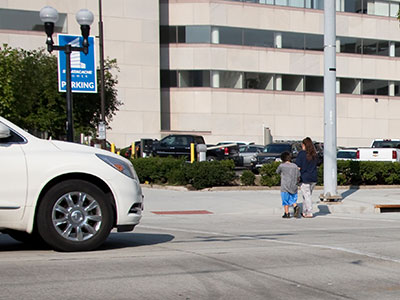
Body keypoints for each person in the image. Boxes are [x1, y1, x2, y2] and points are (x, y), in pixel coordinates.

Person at [296, 137, 318, 218]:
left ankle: (309, 211)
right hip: (313, 177)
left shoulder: (301, 154)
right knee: (306, 195)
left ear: (304, 145)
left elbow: (298, 167)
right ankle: (304, 211)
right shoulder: (314, 154)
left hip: (304, 177)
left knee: (307, 195)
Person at [276, 151, 300, 219]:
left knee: (285, 200)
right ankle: (295, 206)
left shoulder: (282, 166)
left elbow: (277, 171)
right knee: (293, 199)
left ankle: (287, 213)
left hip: (285, 185)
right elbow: (298, 175)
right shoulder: (295, 166)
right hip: (293, 185)